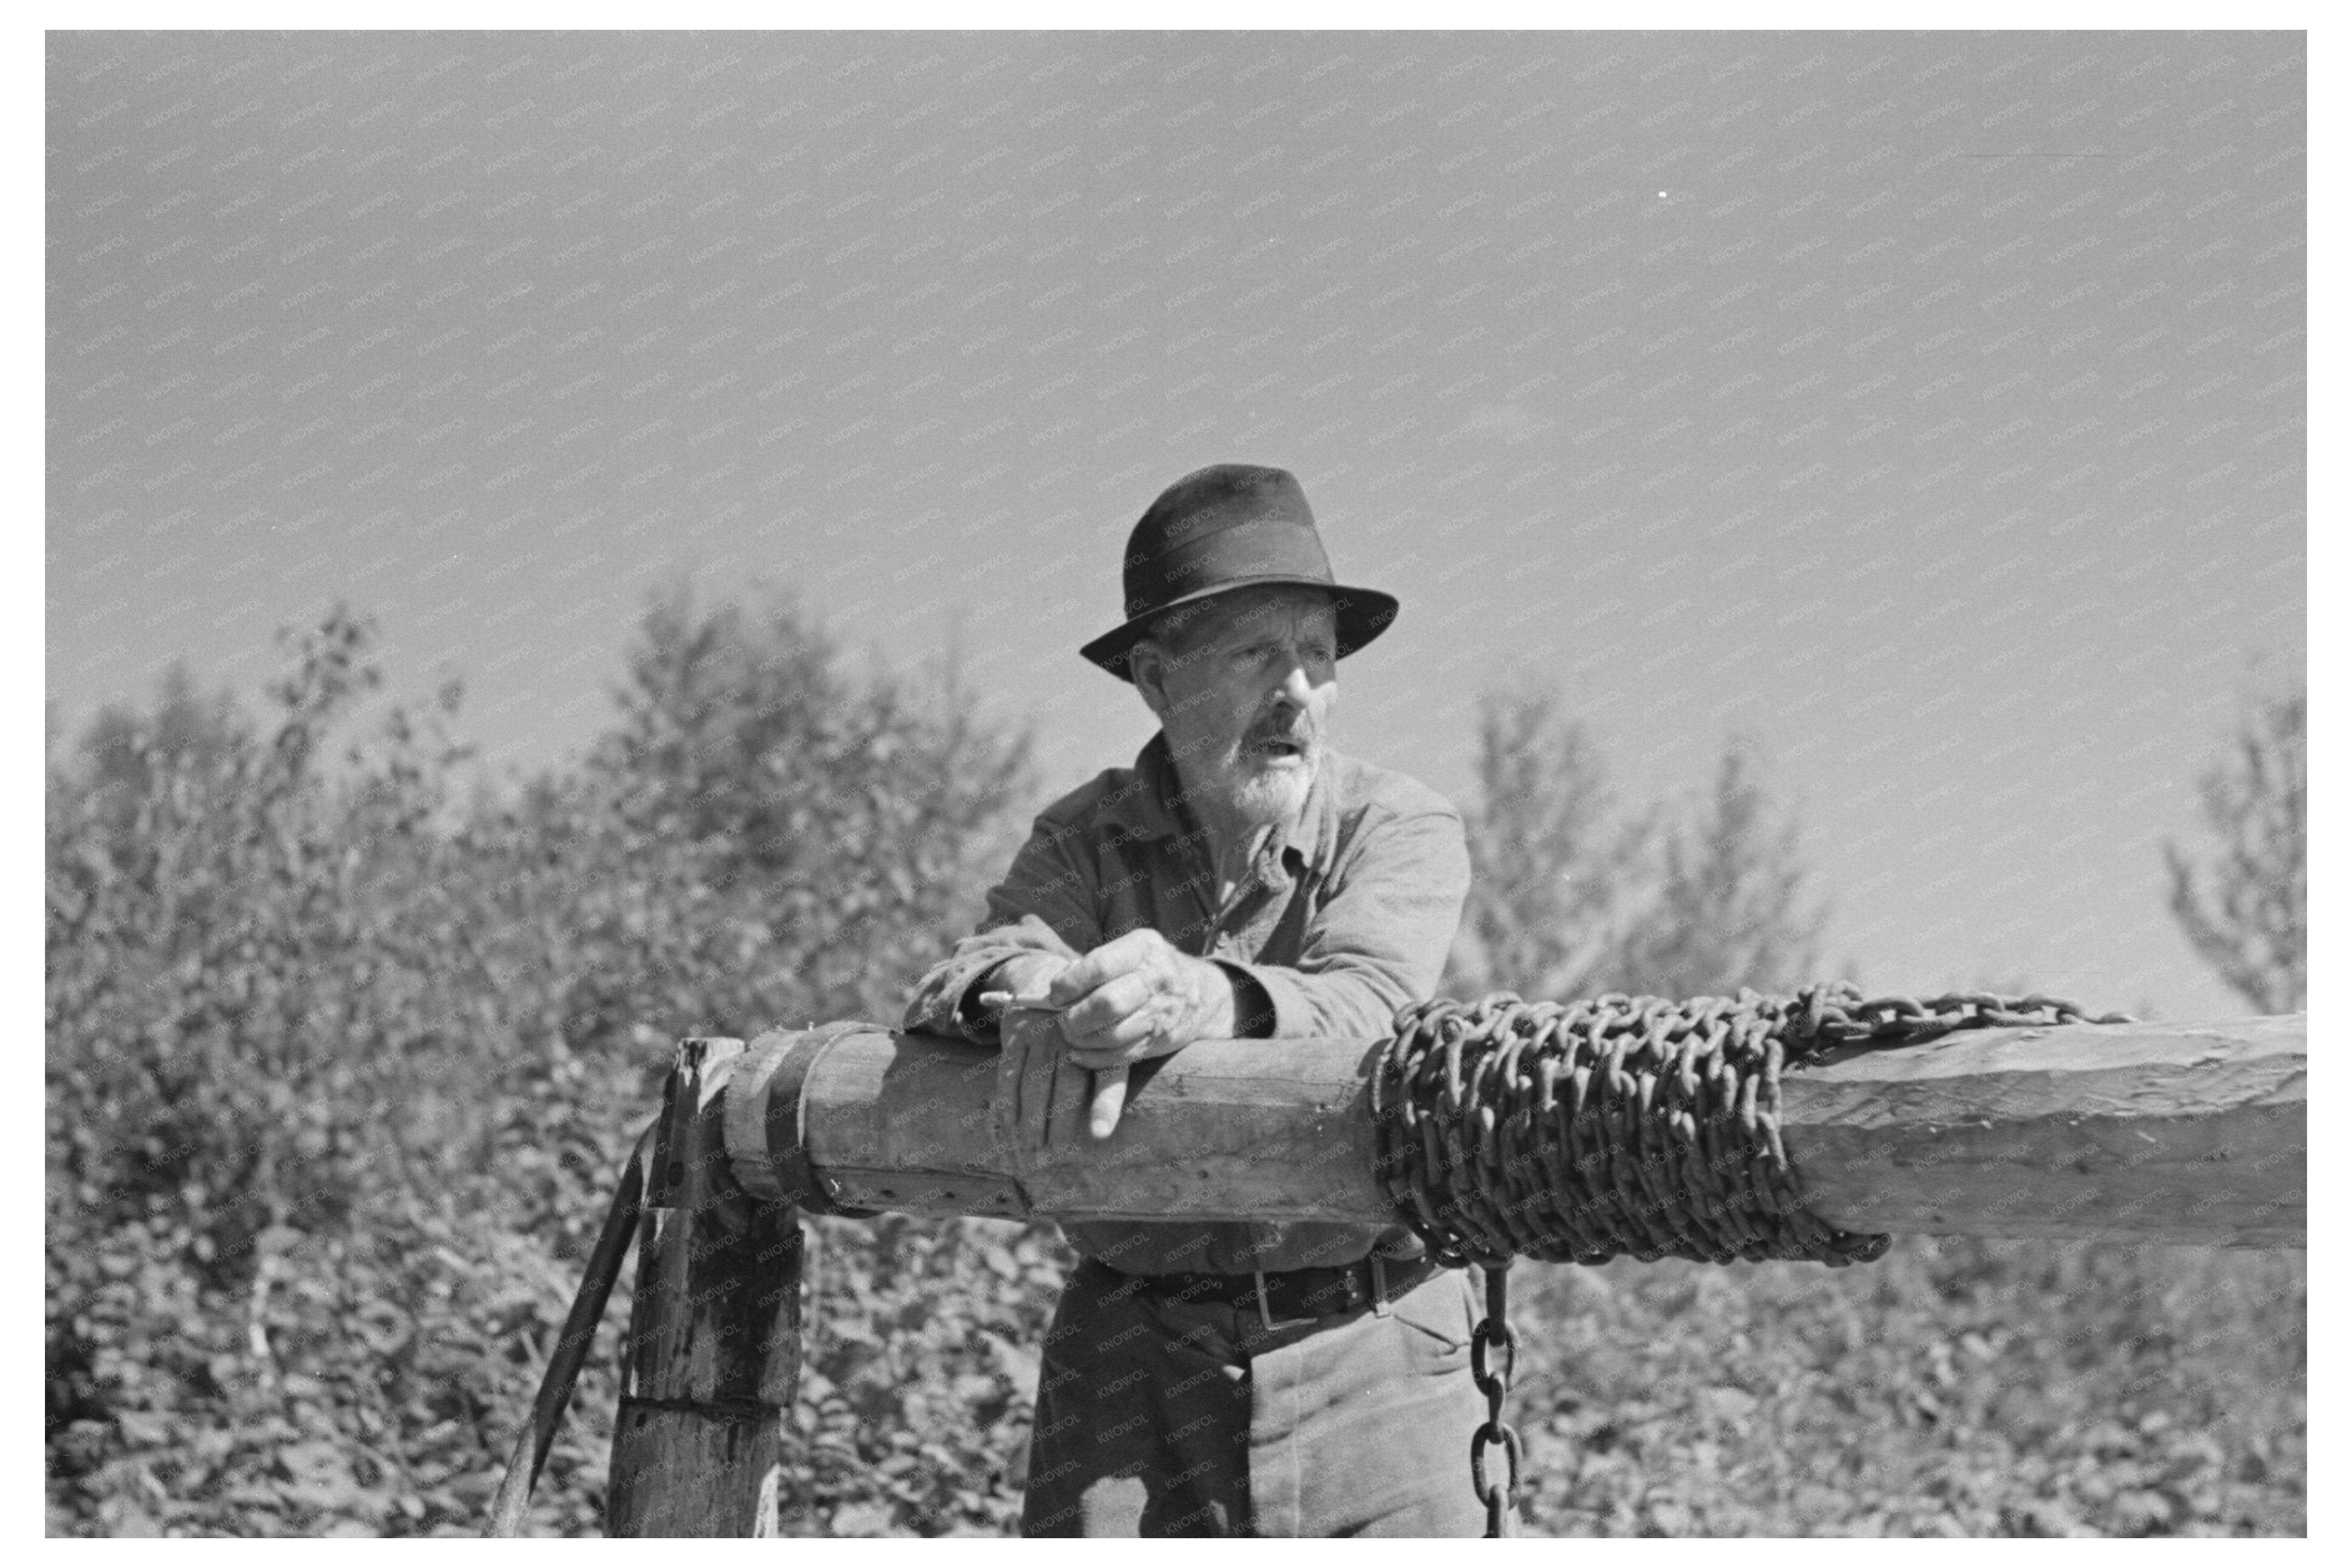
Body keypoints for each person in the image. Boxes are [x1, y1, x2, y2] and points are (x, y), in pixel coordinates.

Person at [901, 463, 1488, 1537]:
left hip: (1373, 1343)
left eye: (1316, 654)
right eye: (1258, 652)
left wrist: (1197, 997)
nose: (1298, 691)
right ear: (1156, 680)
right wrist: (1042, 989)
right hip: (1130, 1358)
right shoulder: (1081, 834)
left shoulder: (1399, 826)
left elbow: (1367, 1005)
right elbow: (968, 967)